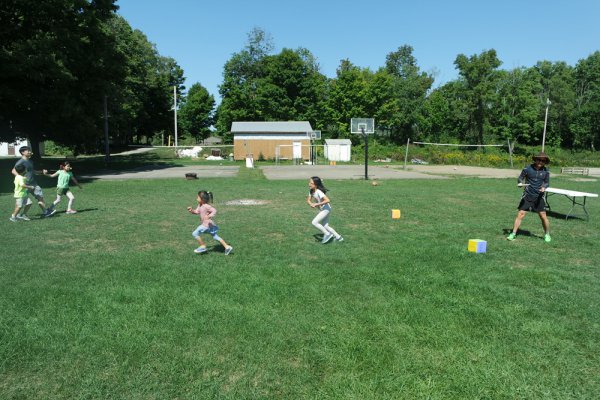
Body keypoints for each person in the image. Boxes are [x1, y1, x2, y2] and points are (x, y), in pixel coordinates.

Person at [507, 152, 551, 242]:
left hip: (539, 196)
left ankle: (547, 234)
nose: (540, 162)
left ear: (545, 162)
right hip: (527, 195)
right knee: (521, 214)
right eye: (539, 160)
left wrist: (544, 187)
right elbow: (520, 178)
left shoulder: (546, 171)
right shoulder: (527, 168)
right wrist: (520, 183)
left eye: (543, 161)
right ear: (535, 159)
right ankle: (513, 234)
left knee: (543, 215)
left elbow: (547, 183)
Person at [11, 146, 55, 217]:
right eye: (28, 151)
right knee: (21, 201)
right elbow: (13, 171)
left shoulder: (30, 161)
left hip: (33, 183)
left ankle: (45, 212)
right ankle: (15, 215)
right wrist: (20, 177)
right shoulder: (20, 161)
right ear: (22, 152)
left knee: (40, 197)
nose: (30, 152)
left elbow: (33, 171)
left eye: (30, 150)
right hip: (25, 185)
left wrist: (42, 172)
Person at [187, 190, 233, 255]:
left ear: (202, 199)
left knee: (195, 233)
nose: (196, 198)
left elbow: (214, 210)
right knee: (215, 236)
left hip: (206, 225)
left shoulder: (206, 206)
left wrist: (209, 216)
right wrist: (191, 210)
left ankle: (202, 246)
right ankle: (227, 247)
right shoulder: (200, 205)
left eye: (198, 197)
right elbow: (197, 212)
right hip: (210, 225)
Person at [307, 176, 343, 244]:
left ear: (316, 184)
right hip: (323, 210)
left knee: (314, 222)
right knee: (325, 226)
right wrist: (311, 204)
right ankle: (339, 237)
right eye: (309, 182)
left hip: (326, 209)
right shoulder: (311, 190)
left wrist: (316, 204)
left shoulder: (319, 191)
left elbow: (327, 200)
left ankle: (327, 234)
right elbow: (308, 200)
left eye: (311, 183)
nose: (309, 184)